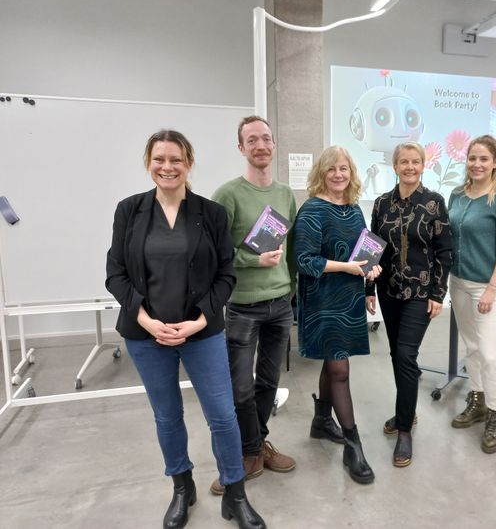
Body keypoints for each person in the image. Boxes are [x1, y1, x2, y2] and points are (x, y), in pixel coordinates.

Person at [105, 130, 265, 529]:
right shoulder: (130, 211)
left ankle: (235, 493)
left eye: (176, 159)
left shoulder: (211, 213)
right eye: (159, 159)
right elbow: (115, 274)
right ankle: (182, 487)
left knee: (223, 417)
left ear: (189, 162)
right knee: (167, 417)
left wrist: (198, 321)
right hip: (147, 336)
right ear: (148, 163)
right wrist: (145, 320)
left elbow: (226, 276)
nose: (167, 167)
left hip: (201, 333)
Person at [210, 116, 297, 494]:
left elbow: (289, 249)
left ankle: (257, 444)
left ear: (273, 145)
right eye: (252, 140)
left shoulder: (285, 194)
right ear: (241, 148)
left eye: (266, 139)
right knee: (240, 388)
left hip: (280, 304)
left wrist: (291, 288)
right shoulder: (226, 195)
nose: (260, 145)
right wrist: (251, 261)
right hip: (243, 305)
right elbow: (215, 251)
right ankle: (249, 448)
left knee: (269, 382)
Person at [294, 145, 381, 484]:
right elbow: (304, 261)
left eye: (343, 168)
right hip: (323, 301)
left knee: (333, 365)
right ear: (321, 173)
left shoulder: (355, 209)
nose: (338, 174)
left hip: (349, 300)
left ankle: (320, 422)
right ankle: (352, 443)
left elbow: (366, 254)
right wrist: (348, 267)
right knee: (340, 369)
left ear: (351, 172)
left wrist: (370, 281)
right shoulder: (312, 210)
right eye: (331, 169)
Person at [365, 141, 452, 468]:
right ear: (395, 165)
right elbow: (374, 249)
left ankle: (404, 430)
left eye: (416, 161)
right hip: (388, 290)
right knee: (396, 354)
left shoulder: (434, 202)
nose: (410, 167)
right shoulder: (381, 204)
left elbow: (445, 251)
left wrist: (437, 293)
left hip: (419, 293)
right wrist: (369, 289)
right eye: (404, 161)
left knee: (405, 354)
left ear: (423, 165)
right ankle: (407, 410)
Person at [447, 134, 496, 454]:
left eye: (483, 159)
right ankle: (476, 400)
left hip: (488, 287)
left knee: (491, 354)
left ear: (495, 163)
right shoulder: (457, 195)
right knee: (473, 348)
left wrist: (491, 288)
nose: (476, 164)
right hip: (458, 283)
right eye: (472, 158)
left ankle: (494, 415)